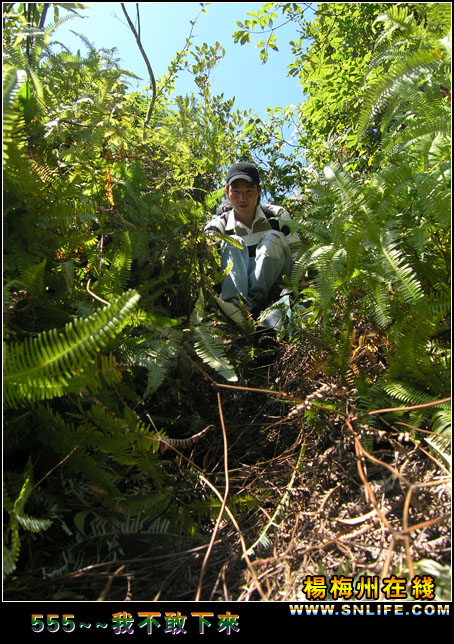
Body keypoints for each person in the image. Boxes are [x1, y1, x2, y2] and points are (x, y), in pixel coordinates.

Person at [204, 162, 300, 329]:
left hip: (274, 291)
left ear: (258, 191)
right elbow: (206, 249)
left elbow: (297, 252)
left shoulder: (276, 216)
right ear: (227, 192)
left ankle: (255, 308)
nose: (242, 198)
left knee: (273, 237)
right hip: (237, 299)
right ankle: (238, 311)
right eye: (236, 192)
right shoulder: (219, 225)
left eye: (248, 191)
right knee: (233, 243)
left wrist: (301, 276)